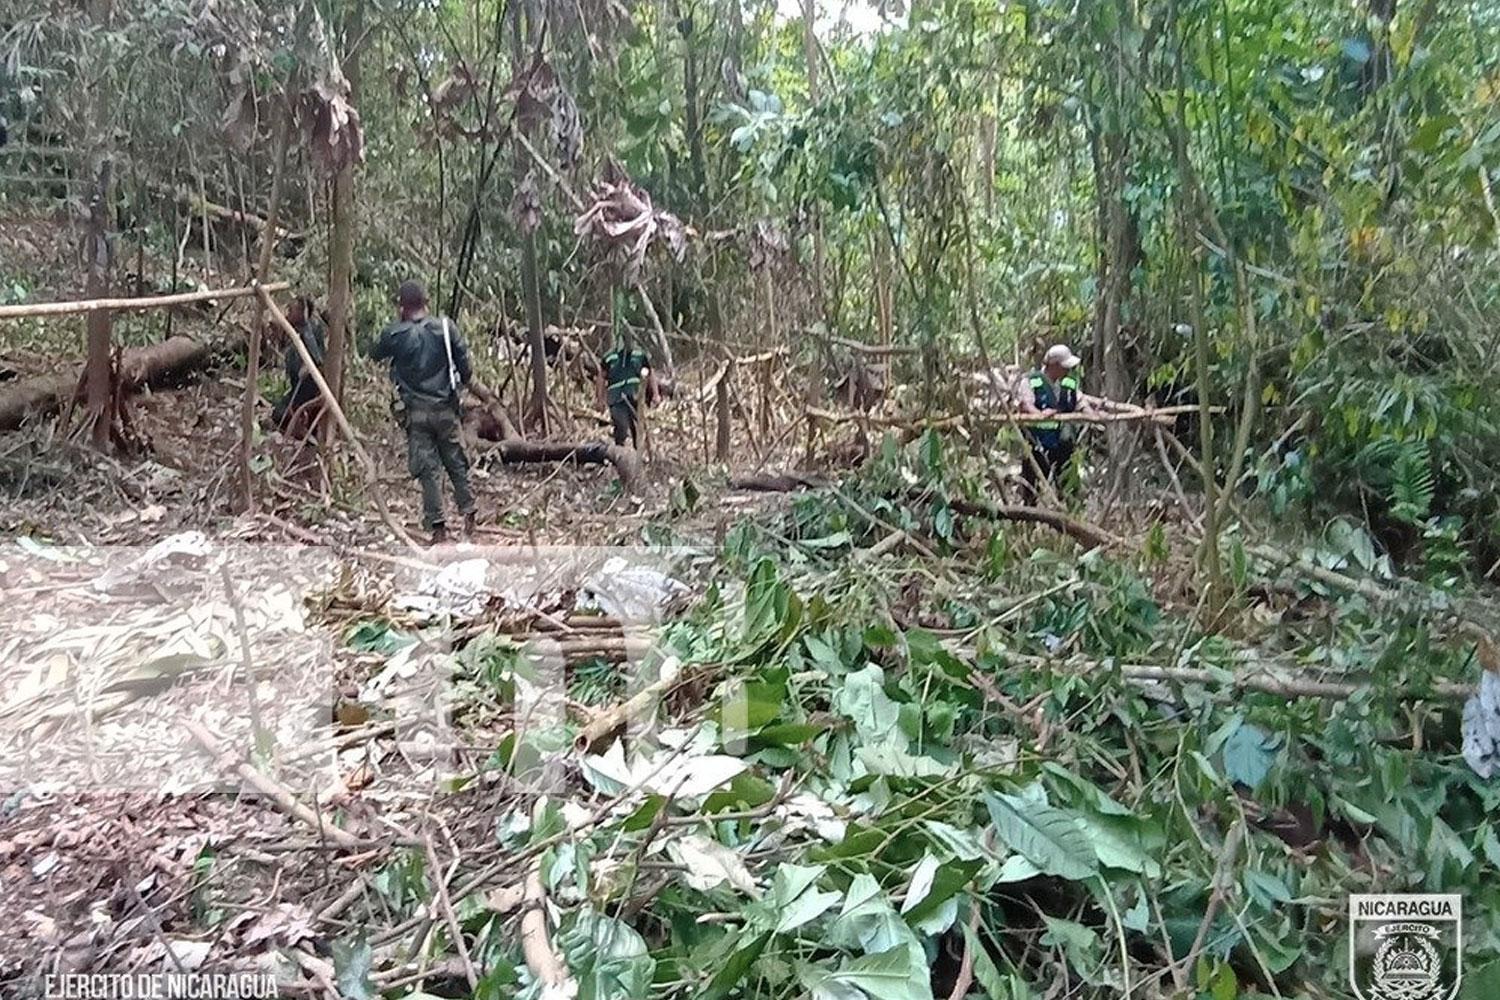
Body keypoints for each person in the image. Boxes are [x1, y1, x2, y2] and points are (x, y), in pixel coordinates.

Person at [367, 281, 477, 545]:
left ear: (401, 307)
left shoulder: (395, 335)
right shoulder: (446, 329)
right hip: (446, 409)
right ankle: (469, 511)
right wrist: (458, 386)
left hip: (416, 414)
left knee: (427, 470)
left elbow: (373, 353)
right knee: (455, 461)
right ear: (426, 304)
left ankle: (438, 527)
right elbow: (466, 369)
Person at [1019, 343, 1089, 504]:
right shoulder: (1031, 381)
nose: (1067, 370)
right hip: (1037, 442)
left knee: (1067, 486)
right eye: (1064, 366)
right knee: (1031, 488)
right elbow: (1026, 405)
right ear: (1054, 366)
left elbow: (1080, 401)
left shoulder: (1069, 382)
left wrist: (1093, 414)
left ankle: (1069, 519)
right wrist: (1040, 415)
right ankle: (1028, 521)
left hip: (1063, 444)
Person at [270, 297, 326, 435]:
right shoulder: (296, 330)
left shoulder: (310, 330)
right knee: (277, 412)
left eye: (292, 310)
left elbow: (318, 357)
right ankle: (298, 423)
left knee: (280, 414)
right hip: (296, 390)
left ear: (303, 313)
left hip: (307, 391)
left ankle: (302, 424)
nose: (288, 313)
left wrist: (309, 366)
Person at [596, 337, 660, 448]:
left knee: (637, 427)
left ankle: (637, 454)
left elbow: (650, 373)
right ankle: (619, 452)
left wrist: (655, 394)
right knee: (621, 426)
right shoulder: (609, 357)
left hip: (635, 395)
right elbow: (601, 377)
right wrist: (600, 400)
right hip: (616, 397)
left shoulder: (639, 355)